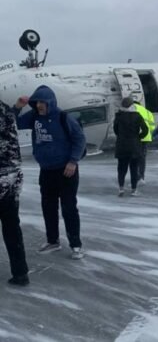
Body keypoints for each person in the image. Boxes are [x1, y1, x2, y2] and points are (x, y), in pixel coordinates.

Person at [14, 85, 86, 260]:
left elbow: (79, 139)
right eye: (37, 102)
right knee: (48, 207)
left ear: (50, 102)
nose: (39, 105)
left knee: (69, 208)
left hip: (66, 171)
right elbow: (13, 122)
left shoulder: (63, 117)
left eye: (42, 102)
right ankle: (53, 240)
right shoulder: (34, 117)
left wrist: (73, 161)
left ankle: (76, 245)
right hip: (46, 171)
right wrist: (17, 107)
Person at [0, 100, 30, 285]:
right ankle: (20, 272)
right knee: (12, 227)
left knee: (11, 227)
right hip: (12, 177)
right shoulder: (6, 111)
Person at [113, 97, 148, 197]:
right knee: (134, 168)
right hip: (134, 146)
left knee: (121, 168)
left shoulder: (118, 116)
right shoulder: (137, 116)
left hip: (121, 145)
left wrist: (121, 136)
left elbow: (115, 130)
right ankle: (133, 190)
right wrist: (138, 137)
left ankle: (121, 189)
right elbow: (145, 130)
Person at [133, 100, 155, 185]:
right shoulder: (147, 111)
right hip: (146, 137)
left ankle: (136, 177)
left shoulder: (132, 110)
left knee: (134, 158)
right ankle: (141, 177)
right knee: (142, 158)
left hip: (135, 138)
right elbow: (152, 126)